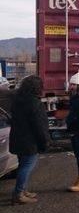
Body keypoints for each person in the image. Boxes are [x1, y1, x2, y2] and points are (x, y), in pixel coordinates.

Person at [9, 75, 49, 204]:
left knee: (22, 164)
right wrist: (45, 141)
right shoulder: (35, 103)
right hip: (29, 141)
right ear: (37, 88)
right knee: (27, 166)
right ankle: (19, 193)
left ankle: (23, 190)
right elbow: (40, 126)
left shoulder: (17, 100)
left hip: (17, 138)